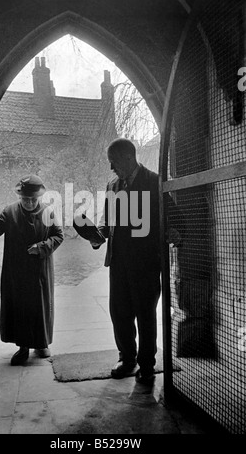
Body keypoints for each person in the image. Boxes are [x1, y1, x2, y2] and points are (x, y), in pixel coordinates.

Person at [92, 138, 181, 385]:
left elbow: (174, 218)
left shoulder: (155, 182)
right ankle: (126, 359)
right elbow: (106, 219)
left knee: (145, 314)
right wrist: (97, 235)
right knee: (119, 313)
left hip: (146, 263)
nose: (111, 169)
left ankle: (147, 364)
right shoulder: (112, 185)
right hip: (118, 263)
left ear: (129, 158)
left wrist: (174, 233)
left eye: (114, 162)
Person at [0, 174, 64, 366]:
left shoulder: (48, 212)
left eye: (32, 199)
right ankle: (23, 347)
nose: (28, 203)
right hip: (16, 271)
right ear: (19, 197)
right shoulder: (10, 211)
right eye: (24, 199)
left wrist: (42, 247)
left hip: (40, 270)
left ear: (39, 197)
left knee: (40, 307)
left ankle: (41, 343)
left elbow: (58, 236)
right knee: (21, 308)